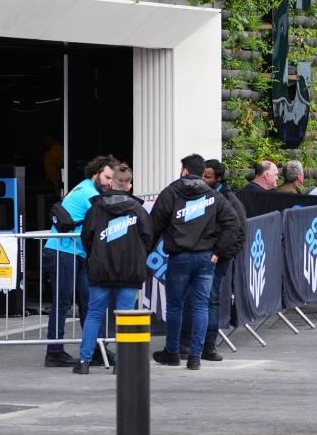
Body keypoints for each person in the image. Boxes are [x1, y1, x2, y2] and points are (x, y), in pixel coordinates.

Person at [150, 155, 243, 371]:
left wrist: (145, 251)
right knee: (201, 305)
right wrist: (218, 251)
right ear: (202, 173)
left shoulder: (171, 192)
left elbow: (154, 224)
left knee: (175, 305)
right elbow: (233, 223)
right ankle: (195, 357)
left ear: (184, 170)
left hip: (179, 257)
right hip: (205, 258)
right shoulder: (213, 195)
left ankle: (172, 352)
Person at [73, 163, 151, 374]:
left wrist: (96, 256)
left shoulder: (96, 208)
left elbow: (86, 238)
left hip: (101, 269)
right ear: (129, 185)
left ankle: (84, 361)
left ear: (111, 182)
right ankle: (122, 363)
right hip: (129, 270)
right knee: (125, 316)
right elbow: (148, 238)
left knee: (94, 314)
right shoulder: (138, 209)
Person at [43, 154, 116, 367]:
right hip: (62, 252)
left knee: (88, 303)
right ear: (96, 174)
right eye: (107, 177)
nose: (110, 182)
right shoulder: (89, 194)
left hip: (73, 253)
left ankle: (95, 349)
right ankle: (54, 352)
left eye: (113, 179)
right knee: (63, 303)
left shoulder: (87, 189)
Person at [199, 159, 247, 362]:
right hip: (199, 254)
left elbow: (240, 233)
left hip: (216, 259)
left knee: (211, 299)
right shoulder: (200, 194)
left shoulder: (230, 201)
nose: (202, 179)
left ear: (218, 178)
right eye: (202, 175)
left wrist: (220, 255)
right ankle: (189, 343)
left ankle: (208, 346)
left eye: (207, 177)